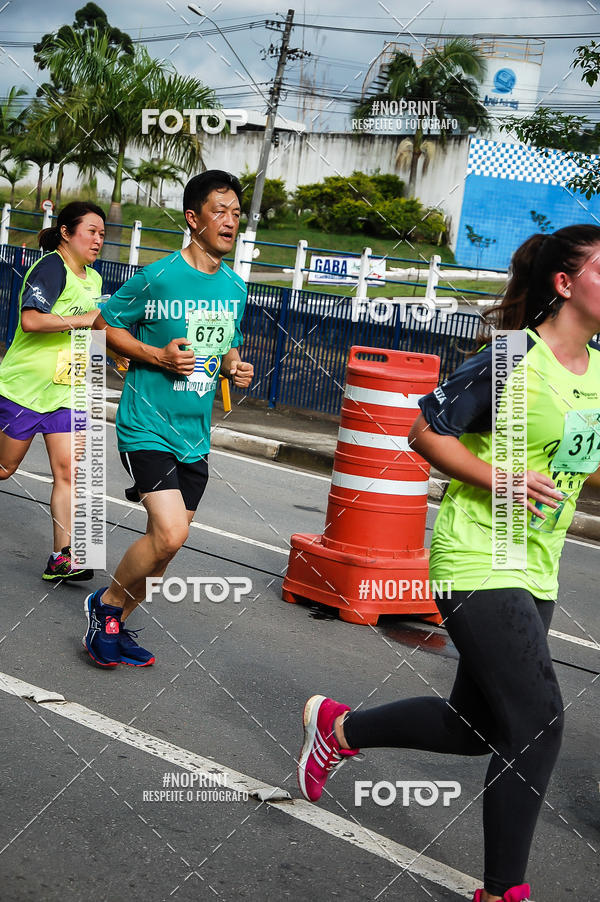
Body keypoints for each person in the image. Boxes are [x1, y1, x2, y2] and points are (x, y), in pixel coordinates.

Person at [297, 224, 600, 902]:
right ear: (564, 283)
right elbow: (425, 432)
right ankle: (502, 892)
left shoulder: (599, 368)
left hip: (537, 560)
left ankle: (338, 729)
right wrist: (503, 479)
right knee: (539, 722)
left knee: (477, 727)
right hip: (478, 553)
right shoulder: (514, 356)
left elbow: (581, 462)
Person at [82, 170, 253, 668]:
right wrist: (157, 355)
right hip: (147, 424)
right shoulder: (158, 277)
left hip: (194, 435)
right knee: (172, 533)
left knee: (166, 549)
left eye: (236, 213)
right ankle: (105, 605)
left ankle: (116, 621)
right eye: (219, 211)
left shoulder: (234, 287)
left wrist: (233, 365)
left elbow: (225, 343)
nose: (230, 221)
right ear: (193, 219)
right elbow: (103, 325)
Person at [0, 201, 105, 580]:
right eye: (91, 231)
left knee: (68, 474)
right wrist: (85, 319)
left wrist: (115, 353)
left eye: (102, 234)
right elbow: (31, 320)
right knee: (5, 469)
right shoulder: (50, 268)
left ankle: (63, 556)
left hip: (66, 393)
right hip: (24, 390)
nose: (98, 240)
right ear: (66, 232)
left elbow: (94, 326)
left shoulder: (93, 279)